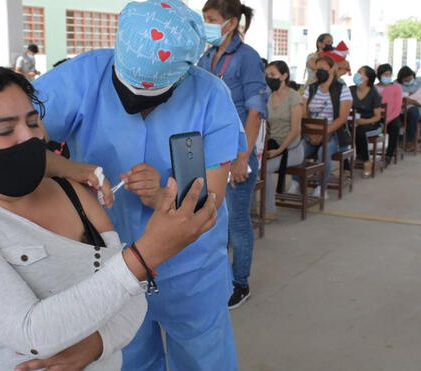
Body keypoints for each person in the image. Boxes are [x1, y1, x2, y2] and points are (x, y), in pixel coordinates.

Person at [0, 63, 218, 371]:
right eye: (5, 130)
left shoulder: (74, 195)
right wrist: (144, 256)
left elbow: (132, 300)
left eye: (33, 122)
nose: (29, 139)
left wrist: (97, 343)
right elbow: (32, 334)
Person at [33, 1, 245, 369]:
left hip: (191, 269)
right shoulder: (81, 77)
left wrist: (164, 194)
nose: (135, 105)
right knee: (127, 358)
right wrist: (70, 168)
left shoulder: (211, 96)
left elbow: (210, 200)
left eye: (154, 96)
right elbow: (15, 144)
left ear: (183, 74)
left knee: (203, 359)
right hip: (109, 263)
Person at [197, 0, 267, 309]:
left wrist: (242, 157)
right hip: (209, 152)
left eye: (211, 19)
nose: (206, 24)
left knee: (237, 223)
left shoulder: (247, 58)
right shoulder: (206, 56)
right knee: (212, 220)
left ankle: (240, 283)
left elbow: (255, 112)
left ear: (230, 22)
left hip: (237, 152)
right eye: (204, 18)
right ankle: (218, 279)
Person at [288, 55, 353, 197]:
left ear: (332, 69)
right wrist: (311, 132)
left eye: (323, 69)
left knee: (322, 152)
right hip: (311, 132)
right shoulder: (310, 89)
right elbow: (303, 112)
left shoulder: (342, 89)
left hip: (335, 134)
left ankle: (321, 187)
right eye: (317, 69)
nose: (319, 72)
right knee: (299, 151)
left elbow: (342, 118)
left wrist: (323, 132)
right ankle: (296, 182)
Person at [264, 61, 303, 220]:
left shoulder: (293, 96)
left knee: (265, 169)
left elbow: (295, 130)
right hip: (273, 143)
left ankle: (270, 210)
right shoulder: (269, 96)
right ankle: (252, 207)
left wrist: (279, 150)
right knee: (251, 166)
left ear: (284, 75)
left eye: (273, 75)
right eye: (267, 75)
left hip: (291, 148)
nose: (269, 78)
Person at [350, 66, 383, 178]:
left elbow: (377, 117)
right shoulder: (351, 90)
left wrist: (363, 121)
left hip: (371, 123)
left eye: (360, 72)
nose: (357, 74)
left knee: (359, 130)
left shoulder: (374, 93)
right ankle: (345, 166)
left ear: (367, 78)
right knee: (343, 131)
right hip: (353, 121)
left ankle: (365, 160)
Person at [375, 64, 403, 166]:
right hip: (377, 116)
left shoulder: (396, 87)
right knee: (363, 127)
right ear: (379, 75)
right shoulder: (374, 88)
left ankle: (389, 155)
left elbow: (398, 107)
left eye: (389, 74)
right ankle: (361, 155)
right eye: (385, 74)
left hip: (392, 117)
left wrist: (388, 119)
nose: (387, 76)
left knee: (395, 126)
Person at [397, 66, 421, 151]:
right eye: (406, 80)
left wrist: (410, 100)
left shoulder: (419, 82)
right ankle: (399, 140)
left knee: (413, 114)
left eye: (410, 79)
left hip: (415, 106)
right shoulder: (396, 84)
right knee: (396, 117)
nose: (408, 81)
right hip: (399, 107)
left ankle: (410, 141)